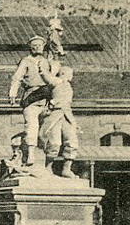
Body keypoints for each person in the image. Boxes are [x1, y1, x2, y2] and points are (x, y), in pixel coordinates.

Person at [8, 35, 57, 168]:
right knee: (32, 125)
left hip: (46, 98)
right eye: (34, 45)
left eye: (39, 45)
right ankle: (30, 153)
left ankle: (47, 161)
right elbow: (17, 77)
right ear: (30, 47)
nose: (37, 47)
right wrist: (13, 92)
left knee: (48, 129)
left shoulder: (47, 61)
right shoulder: (26, 61)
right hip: (31, 97)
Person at [38, 65, 79, 178]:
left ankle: (66, 169)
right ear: (63, 73)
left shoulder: (68, 85)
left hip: (67, 115)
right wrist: (42, 68)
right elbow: (46, 76)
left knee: (72, 141)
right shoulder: (56, 81)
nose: (72, 76)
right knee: (54, 142)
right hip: (55, 114)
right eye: (70, 74)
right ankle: (48, 167)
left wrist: (74, 123)